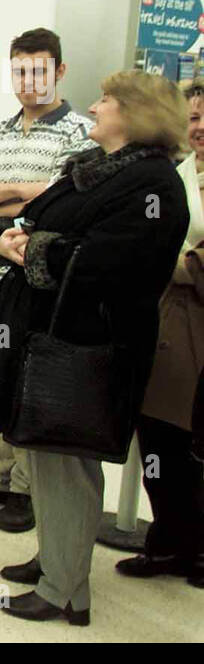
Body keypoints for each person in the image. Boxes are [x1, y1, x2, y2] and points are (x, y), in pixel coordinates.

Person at [0, 71, 189, 625]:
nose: (94, 106)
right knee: (44, 458)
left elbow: (115, 265)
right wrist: (11, 237)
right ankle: (55, 560)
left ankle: (65, 590)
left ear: (135, 113)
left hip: (87, 351)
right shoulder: (90, 172)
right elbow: (24, 221)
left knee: (67, 466)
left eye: (107, 100)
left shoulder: (154, 185)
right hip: (48, 340)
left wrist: (32, 248)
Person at [0, 28, 95, 533]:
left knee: (28, 384)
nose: (29, 82)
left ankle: (27, 489)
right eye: (21, 71)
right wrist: (19, 194)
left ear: (60, 72)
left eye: (40, 71)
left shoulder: (81, 135)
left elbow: (65, 197)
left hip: (37, 284)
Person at [120, 79, 204, 585]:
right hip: (162, 325)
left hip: (198, 329)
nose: (200, 128)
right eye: (193, 118)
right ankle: (168, 540)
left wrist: (165, 263)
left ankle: (196, 547)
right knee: (156, 441)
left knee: (193, 444)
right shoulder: (175, 174)